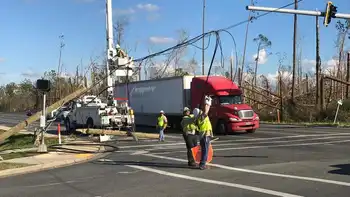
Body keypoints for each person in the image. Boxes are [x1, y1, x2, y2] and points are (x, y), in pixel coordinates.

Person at [193, 96, 213, 170]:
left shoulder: (199, 118)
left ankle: (202, 163)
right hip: (205, 135)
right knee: (205, 150)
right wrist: (207, 103)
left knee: (205, 149)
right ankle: (202, 164)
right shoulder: (202, 117)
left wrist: (207, 103)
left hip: (204, 134)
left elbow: (205, 111)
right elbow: (206, 111)